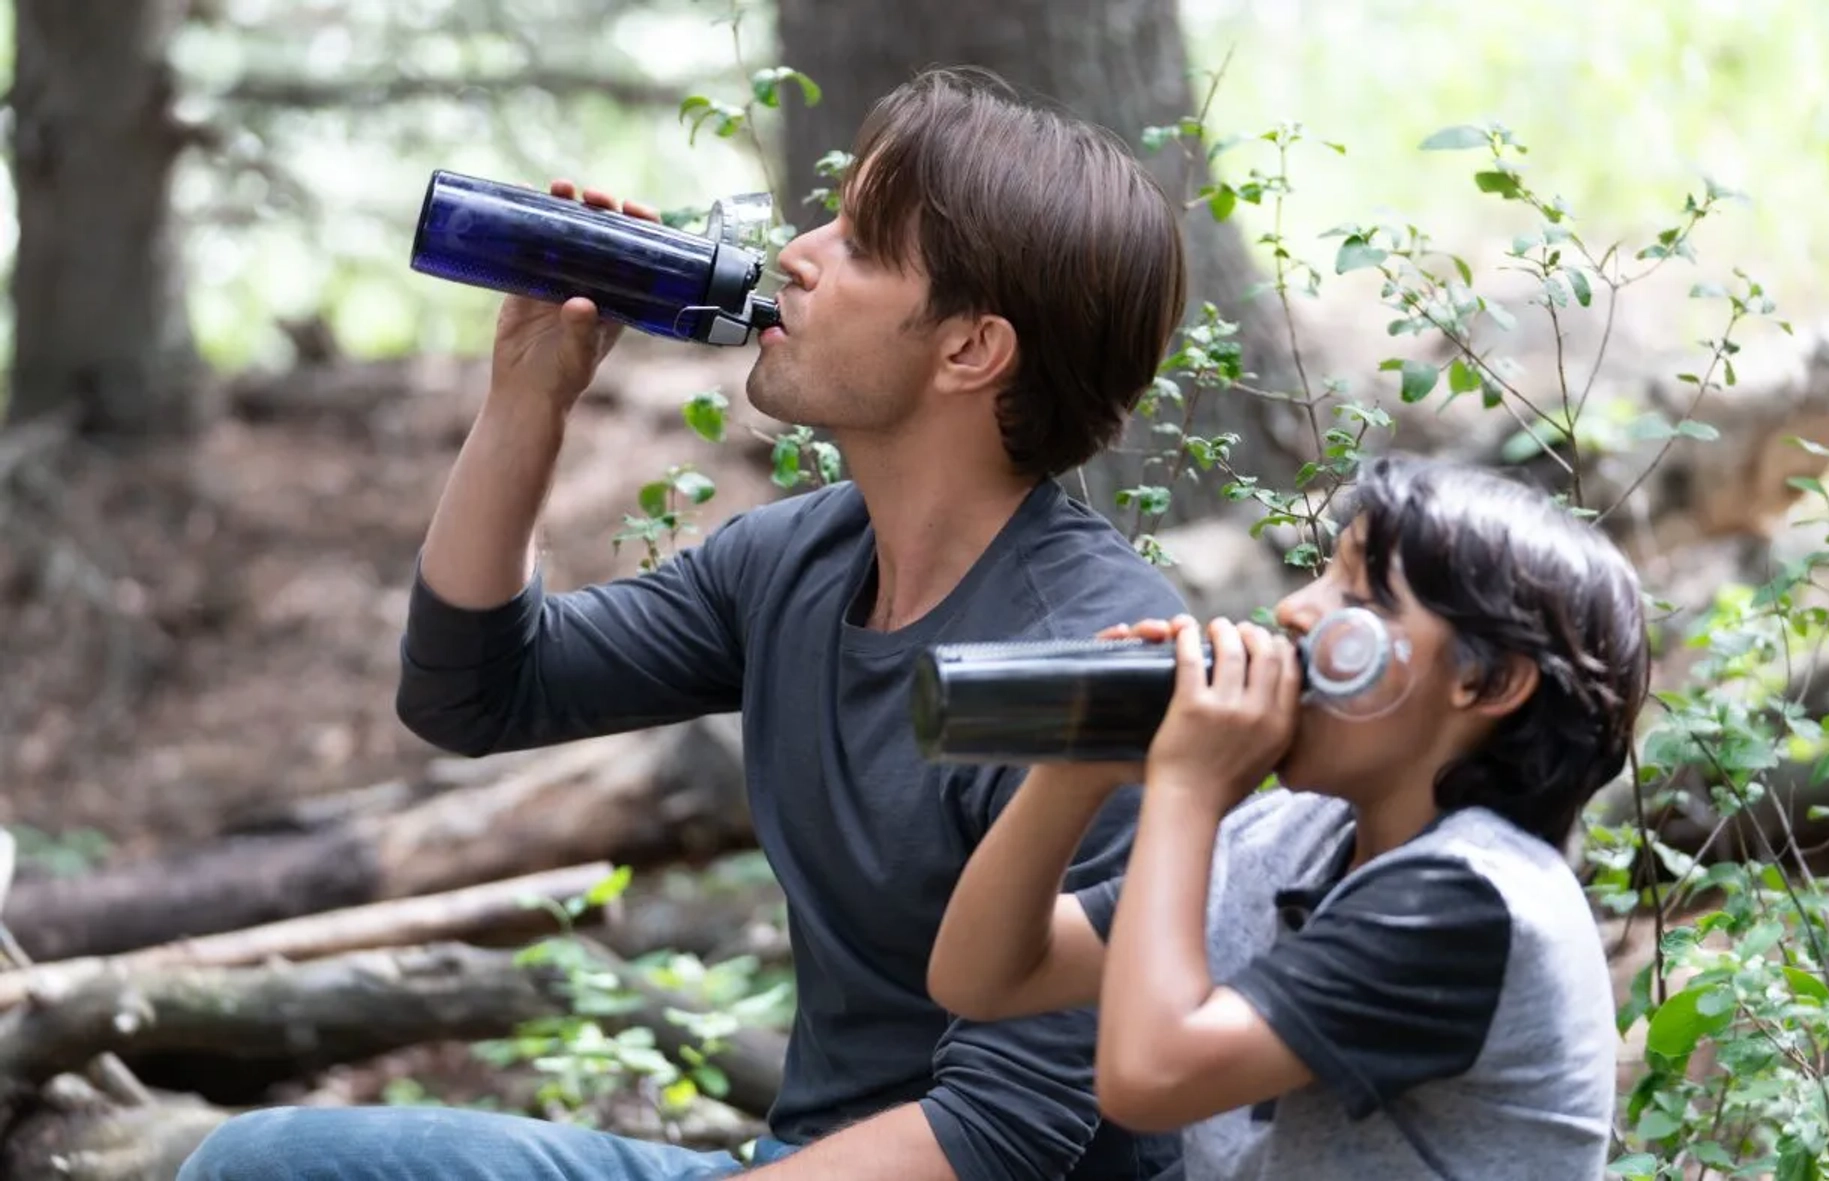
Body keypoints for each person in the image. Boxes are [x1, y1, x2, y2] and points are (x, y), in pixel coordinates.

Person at [178, 67, 1189, 1181]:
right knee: (263, 1159)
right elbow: (473, 690)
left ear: (968, 350)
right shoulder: (794, 562)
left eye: (858, 244)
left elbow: (1004, 1132)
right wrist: (528, 398)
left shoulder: (1092, 661)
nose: (798, 251)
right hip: (796, 1159)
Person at [927, 453, 1649, 1181]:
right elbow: (985, 976)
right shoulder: (1290, 836)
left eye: (1361, 598)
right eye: (1325, 574)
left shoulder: (1476, 902)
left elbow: (1150, 1074)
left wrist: (1189, 788)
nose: (1296, 609)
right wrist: (1084, 761)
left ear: (1488, 679)